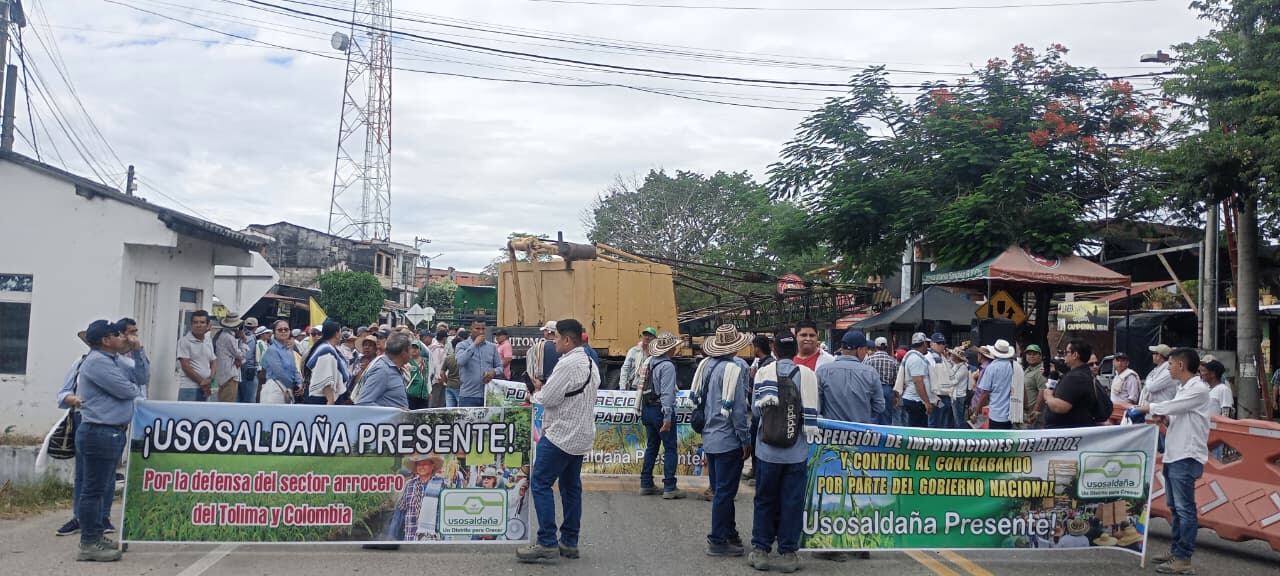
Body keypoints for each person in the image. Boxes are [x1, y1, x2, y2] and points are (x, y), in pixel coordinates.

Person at [517, 319, 600, 564]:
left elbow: (549, 399)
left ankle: (546, 542)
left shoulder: (568, 364)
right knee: (571, 487)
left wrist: (535, 393)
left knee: (540, 483)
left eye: (555, 337)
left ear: (566, 339)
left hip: (561, 434)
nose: (552, 342)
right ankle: (569, 541)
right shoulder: (589, 360)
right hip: (582, 433)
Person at [1133, 348, 1210, 575]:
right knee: (1175, 508)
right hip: (1174, 453)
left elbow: (1173, 407)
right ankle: (1176, 550)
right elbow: (1176, 414)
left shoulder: (1198, 389)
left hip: (1186, 455)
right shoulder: (1183, 388)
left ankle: (1183, 558)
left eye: (1170, 364)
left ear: (1181, 365)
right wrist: (1164, 419)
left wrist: (1146, 408)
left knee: (1185, 509)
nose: (1168, 368)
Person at [749, 331, 819, 574]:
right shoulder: (808, 376)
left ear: (775, 351)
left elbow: (756, 413)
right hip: (796, 452)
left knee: (765, 499)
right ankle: (789, 553)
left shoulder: (763, 373)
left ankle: (760, 550)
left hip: (767, 451)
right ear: (795, 350)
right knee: (792, 502)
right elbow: (813, 414)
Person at [74, 319, 143, 562]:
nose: (123, 337)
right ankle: (88, 542)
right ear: (106, 340)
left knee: (102, 488)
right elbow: (129, 391)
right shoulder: (97, 363)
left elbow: (141, 378)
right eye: (117, 334)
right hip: (99, 431)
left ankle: (95, 535)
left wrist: (139, 351)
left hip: (111, 431)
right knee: (93, 490)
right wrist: (133, 385)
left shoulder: (113, 360)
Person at [694, 325, 753, 557]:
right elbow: (738, 412)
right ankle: (718, 539)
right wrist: (745, 439)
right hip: (728, 439)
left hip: (710, 436)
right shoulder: (733, 370)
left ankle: (729, 532)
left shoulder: (706, 366)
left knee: (721, 489)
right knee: (725, 492)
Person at [54, 331, 110, 538]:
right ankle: (80, 517)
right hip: (83, 419)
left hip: (111, 423)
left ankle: (103, 517)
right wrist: (73, 399)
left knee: (108, 473)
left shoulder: (121, 364)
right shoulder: (81, 363)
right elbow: (63, 392)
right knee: (83, 472)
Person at [640, 332, 685, 499]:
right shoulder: (667, 366)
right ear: (670, 348)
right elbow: (667, 394)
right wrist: (667, 417)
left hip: (648, 409)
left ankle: (646, 483)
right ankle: (670, 486)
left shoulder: (650, 362)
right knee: (670, 448)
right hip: (660, 411)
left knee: (652, 446)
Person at [1042, 340, 1099, 429]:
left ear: (1075, 355)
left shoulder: (1076, 377)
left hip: (1068, 433)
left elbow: (1061, 407)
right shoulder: (1082, 374)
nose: (1064, 355)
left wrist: (1048, 396)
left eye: (1067, 352)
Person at [972, 339, 1022, 430]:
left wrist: (976, 412)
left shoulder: (991, 368)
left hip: (996, 414)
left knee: (997, 441)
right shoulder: (1016, 367)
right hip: (1014, 413)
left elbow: (984, 393)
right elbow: (1022, 389)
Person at [396, 454, 446, 541]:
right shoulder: (409, 485)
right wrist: (391, 536)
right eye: (419, 464)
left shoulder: (441, 484)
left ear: (432, 466)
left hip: (433, 538)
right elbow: (401, 511)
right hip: (410, 537)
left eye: (425, 464)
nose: (421, 467)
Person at [454, 319, 503, 407]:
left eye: (483, 329)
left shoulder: (492, 347)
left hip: (489, 395)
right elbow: (460, 362)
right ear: (471, 329)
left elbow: (500, 367)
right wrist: (474, 344)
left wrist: (494, 372)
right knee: (467, 420)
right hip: (468, 396)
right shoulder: (462, 345)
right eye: (477, 328)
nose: (481, 331)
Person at [355, 333, 411, 408]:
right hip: (387, 420)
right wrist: (394, 412)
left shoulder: (391, 368)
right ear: (404, 352)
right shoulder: (383, 370)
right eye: (410, 349)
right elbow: (363, 403)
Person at [303, 321, 348, 405]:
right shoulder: (326, 351)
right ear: (337, 333)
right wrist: (330, 401)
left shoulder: (328, 348)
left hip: (324, 399)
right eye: (340, 332)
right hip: (323, 399)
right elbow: (325, 380)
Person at [177, 310, 216, 401]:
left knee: (204, 415)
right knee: (187, 415)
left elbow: (213, 361)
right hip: (189, 388)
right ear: (191, 325)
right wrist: (202, 382)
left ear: (207, 325)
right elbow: (186, 367)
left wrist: (210, 378)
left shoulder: (208, 340)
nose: (198, 325)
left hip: (206, 387)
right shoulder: (184, 341)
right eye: (195, 322)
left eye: (202, 322)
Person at [260, 320, 302, 404]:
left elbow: (294, 369)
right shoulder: (272, 350)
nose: (283, 331)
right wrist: (295, 385)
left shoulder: (289, 350)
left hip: (287, 389)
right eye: (280, 330)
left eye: (286, 329)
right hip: (274, 388)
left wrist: (300, 382)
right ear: (274, 333)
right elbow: (279, 373)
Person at [900, 333, 934, 427]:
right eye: (926, 343)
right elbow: (918, 382)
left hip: (915, 399)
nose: (927, 346)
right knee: (918, 429)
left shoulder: (914, 357)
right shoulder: (916, 359)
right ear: (923, 344)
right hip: (916, 400)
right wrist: (927, 402)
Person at [865, 337, 901, 426]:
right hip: (887, 390)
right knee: (887, 415)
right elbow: (897, 379)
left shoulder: (869, 360)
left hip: (872, 389)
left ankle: (873, 435)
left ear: (875, 347)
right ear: (886, 347)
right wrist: (896, 396)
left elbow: (864, 377)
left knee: (873, 414)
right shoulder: (893, 361)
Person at [211, 314, 245, 403]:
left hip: (224, 374)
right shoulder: (228, 337)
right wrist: (243, 342)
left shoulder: (223, 335)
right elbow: (240, 355)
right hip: (229, 375)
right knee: (228, 403)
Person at [116, 318, 151, 400]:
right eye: (132, 332)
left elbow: (144, 378)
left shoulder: (138, 352)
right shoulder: (114, 355)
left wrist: (138, 351)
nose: (135, 335)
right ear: (121, 334)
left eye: (136, 331)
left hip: (139, 399)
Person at [927, 333, 956, 429]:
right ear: (932, 344)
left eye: (943, 343)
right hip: (936, 396)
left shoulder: (943, 358)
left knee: (943, 423)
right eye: (939, 343)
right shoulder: (929, 357)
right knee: (935, 423)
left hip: (946, 396)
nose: (941, 345)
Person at [526, 321, 561, 389]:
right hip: (559, 383)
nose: (543, 333)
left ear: (549, 332)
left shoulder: (537, 347)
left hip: (541, 385)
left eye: (545, 330)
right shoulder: (563, 347)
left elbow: (530, 370)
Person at [1022, 344, 1048, 428]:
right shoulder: (1028, 369)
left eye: (1034, 354)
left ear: (1040, 356)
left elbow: (1042, 391)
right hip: (1026, 414)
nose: (1031, 356)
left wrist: (1035, 411)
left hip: (1034, 417)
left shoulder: (1040, 370)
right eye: (1029, 354)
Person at [946, 346, 972, 428]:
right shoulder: (957, 365)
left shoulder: (963, 367)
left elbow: (954, 381)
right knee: (956, 417)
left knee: (958, 418)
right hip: (955, 395)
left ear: (956, 357)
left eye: (952, 355)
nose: (951, 356)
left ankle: (962, 434)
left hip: (958, 396)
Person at [237, 317, 260, 403]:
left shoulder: (240, 335)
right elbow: (247, 356)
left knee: (240, 397)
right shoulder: (251, 338)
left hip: (240, 369)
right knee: (249, 399)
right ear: (255, 327)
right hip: (248, 370)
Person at [406, 340, 432, 410]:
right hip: (411, 394)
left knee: (423, 416)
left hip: (424, 394)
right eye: (412, 348)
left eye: (416, 348)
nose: (414, 350)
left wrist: (429, 391)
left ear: (420, 350)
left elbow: (429, 377)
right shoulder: (407, 361)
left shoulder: (426, 361)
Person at [427, 330, 449, 407]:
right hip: (438, 380)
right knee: (435, 402)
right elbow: (436, 364)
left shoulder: (435, 347)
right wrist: (439, 377)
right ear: (444, 338)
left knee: (439, 402)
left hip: (439, 379)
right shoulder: (437, 349)